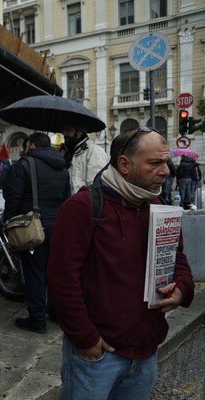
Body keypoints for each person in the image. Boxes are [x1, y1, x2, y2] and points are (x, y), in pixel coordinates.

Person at [48, 127, 195, 399]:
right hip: (97, 357)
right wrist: (86, 339)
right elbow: (62, 280)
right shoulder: (82, 207)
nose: (166, 171)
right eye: (155, 163)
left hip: (146, 352)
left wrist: (182, 290)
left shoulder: (159, 206)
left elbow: (178, 260)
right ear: (125, 164)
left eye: (166, 162)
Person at [1, 132, 70, 334]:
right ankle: (57, 313)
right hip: (58, 227)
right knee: (54, 273)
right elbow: (67, 198)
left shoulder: (24, 165)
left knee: (34, 273)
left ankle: (37, 318)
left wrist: (9, 222)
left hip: (33, 228)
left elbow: (12, 197)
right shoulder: (63, 168)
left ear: (30, 145)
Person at [61, 125, 109, 193]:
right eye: (63, 130)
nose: (64, 134)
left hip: (81, 202)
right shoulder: (64, 152)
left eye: (68, 130)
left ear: (79, 132)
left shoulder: (95, 152)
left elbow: (96, 188)